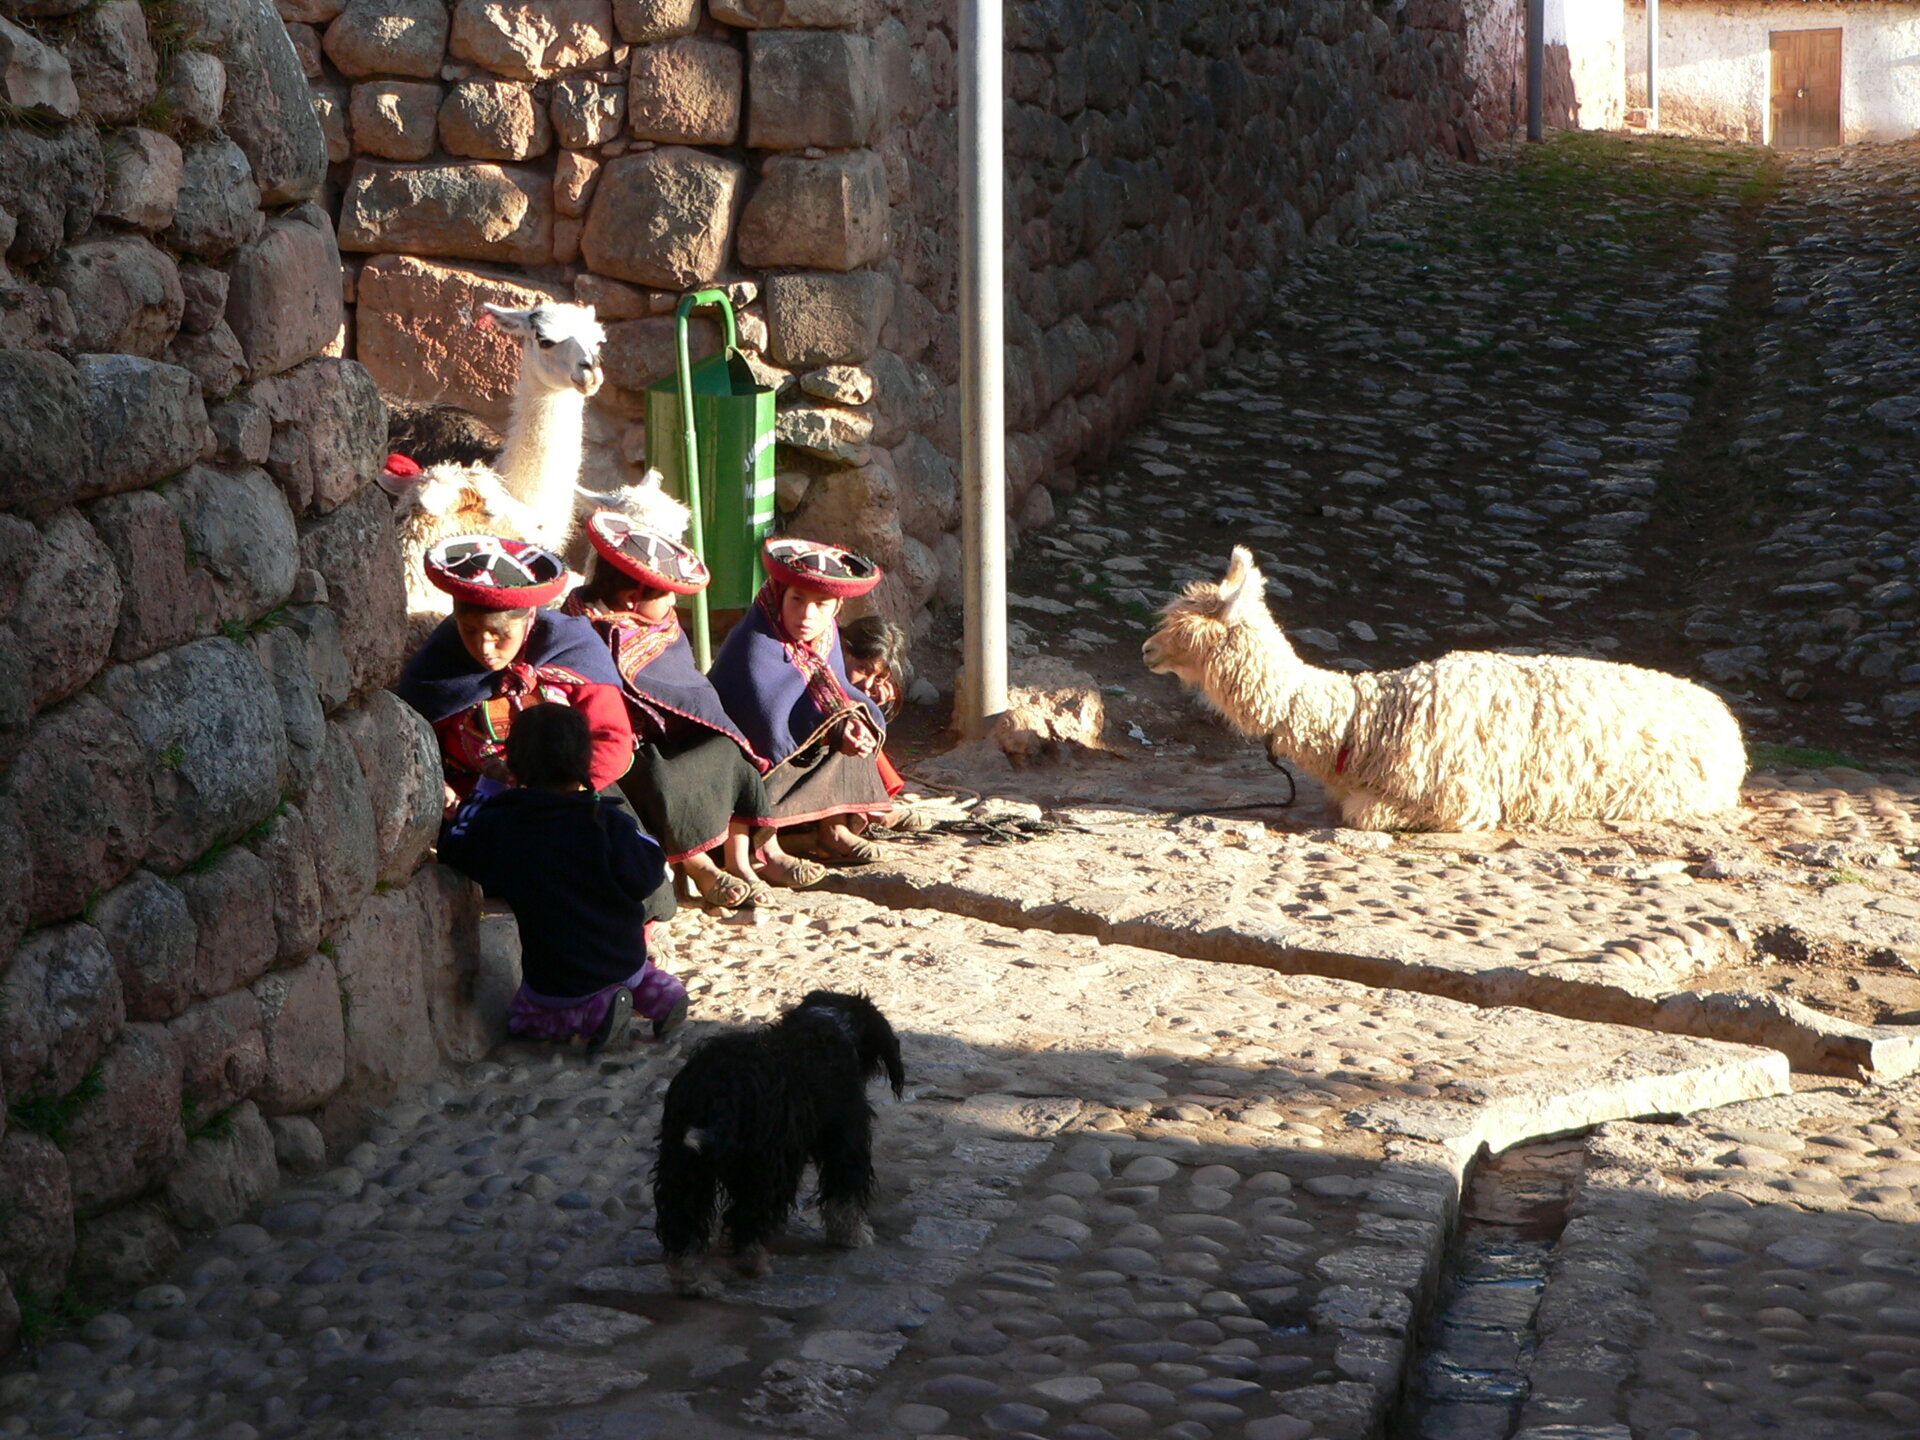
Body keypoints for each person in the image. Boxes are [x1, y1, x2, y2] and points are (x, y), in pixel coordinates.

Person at [565, 513, 822, 904]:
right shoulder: (583, 631)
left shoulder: (658, 625)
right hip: (627, 749)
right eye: (665, 594)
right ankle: (702, 869)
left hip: (678, 733)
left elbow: (688, 688)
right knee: (660, 777)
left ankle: (748, 859)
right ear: (633, 596)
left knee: (729, 749)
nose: (672, 603)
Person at [439, 704, 687, 1046]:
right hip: (627, 958)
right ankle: (662, 993)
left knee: (524, 1019)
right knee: (634, 974)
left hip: (564, 981)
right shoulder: (607, 821)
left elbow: (458, 846)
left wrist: (486, 789)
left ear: (514, 765)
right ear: (584, 763)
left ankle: (597, 1013)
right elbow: (648, 872)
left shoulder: (506, 825)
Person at [395, 535, 636, 812]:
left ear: (528, 619)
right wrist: (441, 790)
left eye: (500, 634)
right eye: (469, 631)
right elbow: (415, 745)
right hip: (479, 812)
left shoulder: (575, 651)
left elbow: (613, 743)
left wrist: (551, 793)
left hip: (573, 805)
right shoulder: (440, 663)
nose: (485, 647)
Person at [708, 538, 892, 865]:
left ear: (837, 608)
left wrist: (848, 724)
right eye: (796, 599)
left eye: (821, 604)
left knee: (854, 720)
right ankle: (766, 845)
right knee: (804, 740)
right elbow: (765, 723)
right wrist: (831, 727)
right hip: (750, 753)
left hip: (798, 738)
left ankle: (833, 828)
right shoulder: (754, 641)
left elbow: (835, 693)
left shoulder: (827, 636)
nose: (807, 615)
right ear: (780, 595)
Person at [839, 615, 930, 835]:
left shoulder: (866, 688)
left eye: (879, 677)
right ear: (843, 650)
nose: (868, 684)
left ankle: (868, 809)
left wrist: (875, 704)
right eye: (862, 669)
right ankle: (862, 812)